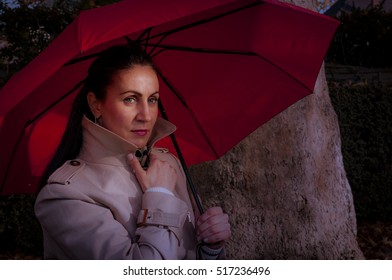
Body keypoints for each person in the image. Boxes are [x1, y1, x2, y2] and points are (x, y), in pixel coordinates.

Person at [34, 44, 231, 259]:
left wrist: (211, 248)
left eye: (152, 99)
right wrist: (161, 197)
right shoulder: (66, 195)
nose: (146, 115)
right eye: (130, 99)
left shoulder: (168, 165)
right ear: (95, 104)